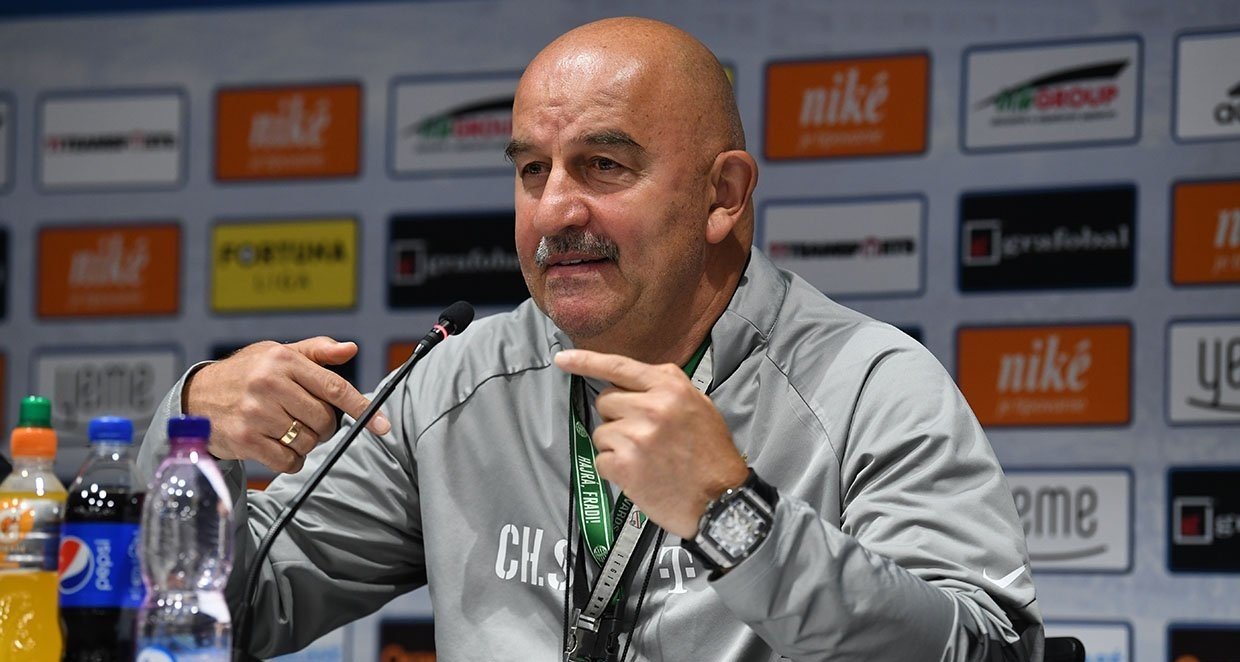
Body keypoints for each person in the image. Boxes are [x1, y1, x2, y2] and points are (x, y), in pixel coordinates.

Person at [137, 16, 1043, 661]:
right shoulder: (455, 384)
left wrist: (735, 518)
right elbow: (225, 611)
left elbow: (985, 648)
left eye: (603, 165)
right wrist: (191, 444)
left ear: (723, 196)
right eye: (533, 170)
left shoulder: (870, 387)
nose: (555, 211)